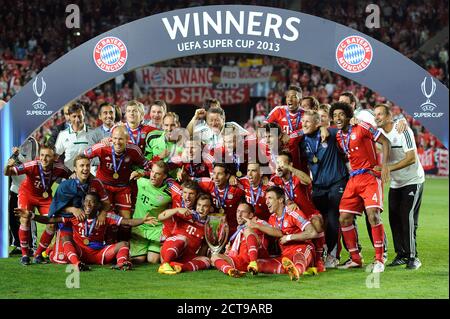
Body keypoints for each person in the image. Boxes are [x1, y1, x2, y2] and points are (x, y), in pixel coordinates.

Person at [15, 192, 158, 271]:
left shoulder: (106, 217)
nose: (88, 205)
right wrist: (31, 216)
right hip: (80, 252)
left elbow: (126, 222)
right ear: (83, 203)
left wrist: (143, 220)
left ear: (97, 206)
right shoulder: (76, 216)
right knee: (66, 239)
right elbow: (50, 221)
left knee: (124, 244)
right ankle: (77, 264)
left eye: (92, 202)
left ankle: (122, 264)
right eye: (87, 201)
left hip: (98, 253)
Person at [331, 102, 391, 273]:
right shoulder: (338, 137)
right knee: (343, 218)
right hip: (354, 178)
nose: (338, 118)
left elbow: (385, 142)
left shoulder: (362, 126)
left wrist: (385, 166)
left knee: (373, 216)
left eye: (341, 114)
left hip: (370, 176)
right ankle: (355, 259)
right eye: (335, 116)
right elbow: (345, 155)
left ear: (348, 115)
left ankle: (379, 260)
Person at [374, 104, 425, 269]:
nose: (377, 117)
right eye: (376, 114)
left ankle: (413, 257)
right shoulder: (379, 134)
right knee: (394, 218)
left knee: (406, 217)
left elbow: (411, 158)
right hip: (396, 183)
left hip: (412, 180)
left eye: (380, 114)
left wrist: (387, 169)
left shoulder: (402, 129)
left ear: (389, 116)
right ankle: (401, 254)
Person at [4, 145, 71, 265]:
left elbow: (71, 176)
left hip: (44, 197)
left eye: (48, 156)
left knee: (52, 223)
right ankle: (25, 255)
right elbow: (7, 173)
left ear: (54, 158)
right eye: (42, 155)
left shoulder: (60, 168)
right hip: (27, 194)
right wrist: (7, 165)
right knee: (24, 219)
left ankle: (38, 254)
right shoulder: (32, 165)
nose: (44, 159)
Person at [299, 110, 348, 268]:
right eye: (303, 121)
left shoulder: (331, 133)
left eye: (307, 121)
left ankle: (333, 255)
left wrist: (325, 127)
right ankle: (322, 251)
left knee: (333, 217)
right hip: (318, 186)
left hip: (336, 182)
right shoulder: (302, 141)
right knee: (319, 219)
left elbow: (347, 129)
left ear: (316, 123)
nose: (304, 124)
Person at [84, 125, 149, 241]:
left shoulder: (134, 150)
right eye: (114, 138)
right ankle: (106, 244)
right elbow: (84, 155)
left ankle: (123, 247)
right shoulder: (103, 147)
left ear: (127, 139)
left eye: (120, 139)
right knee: (104, 216)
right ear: (110, 138)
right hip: (104, 187)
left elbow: (147, 165)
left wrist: (140, 172)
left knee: (126, 220)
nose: (117, 142)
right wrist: (86, 174)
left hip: (123, 188)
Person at [269, 151, 326, 272]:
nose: (279, 166)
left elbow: (308, 181)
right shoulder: (275, 180)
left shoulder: (296, 176)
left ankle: (319, 259)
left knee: (317, 222)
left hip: (308, 213)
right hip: (291, 216)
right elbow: (272, 194)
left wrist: (290, 168)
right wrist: (288, 201)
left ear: (290, 164)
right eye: (277, 163)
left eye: (282, 163)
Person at [247, 186, 319, 281]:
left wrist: (289, 237)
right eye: (266, 199)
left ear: (280, 200)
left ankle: (297, 270)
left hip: (303, 247)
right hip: (286, 254)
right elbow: (276, 233)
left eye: (270, 198)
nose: (266, 202)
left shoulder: (293, 212)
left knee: (299, 257)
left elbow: (312, 233)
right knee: (260, 264)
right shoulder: (272, 218)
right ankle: (296, 269)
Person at [157, 193, 213, 274]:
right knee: (183, 238)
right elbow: (160, 217)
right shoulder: (186, 214)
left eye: (205, 206)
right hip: (170, 249)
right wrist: (176, 210)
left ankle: (180, 267)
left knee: (207, 260)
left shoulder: (208, 227)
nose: (201, 209)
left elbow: (203, 248)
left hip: (186, 256)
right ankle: (165, 263)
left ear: (211, 209)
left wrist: (198, 259)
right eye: (199, 205)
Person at [130, 161, 173, 264]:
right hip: (139, 227)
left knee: (152, 260)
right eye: (152, 172)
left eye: (157, 173)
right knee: (139, 260)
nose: (153, 175)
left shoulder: (168, 194)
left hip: (156, 230)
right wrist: (138, 172)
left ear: (164, 176)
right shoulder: (141, 182)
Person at [211, 202, 269, 278]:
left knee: (247, 230)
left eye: (243, 212)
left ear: (251, 215)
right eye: (238, 211)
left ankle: (253, 263)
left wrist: (256, 225)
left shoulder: (258, 222)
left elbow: (276, 232)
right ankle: (231, 271)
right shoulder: (239, 230)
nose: (239, 215)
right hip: (242, 261)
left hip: (258, 258)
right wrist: (229, 251)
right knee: (214, 257)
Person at [196, 163, 245, 235]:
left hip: (232, 226)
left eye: (219, 174)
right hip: (214, 224)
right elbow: (189, 179)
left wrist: (233, 176)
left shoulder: (236, 188)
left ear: (227, 176)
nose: (215, 177)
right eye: (214, 173)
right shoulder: (209, 183)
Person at [55, 102, 91, 171]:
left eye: (79, 116)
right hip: (69, 175)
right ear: (70, 117)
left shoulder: (93, 133)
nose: (77, 120)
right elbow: (55, 156)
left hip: (87, 175)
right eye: (74, 116)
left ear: (84, 116)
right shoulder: (63, 134)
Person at [87, 102, 117, 175]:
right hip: (100, 172)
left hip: (120, 169)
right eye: (105, 113)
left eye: (111, 112)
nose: (109, 115)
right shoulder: (94, 134)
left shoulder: (123, 131)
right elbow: (91, 155)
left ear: (115, 115)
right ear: (100, 116)